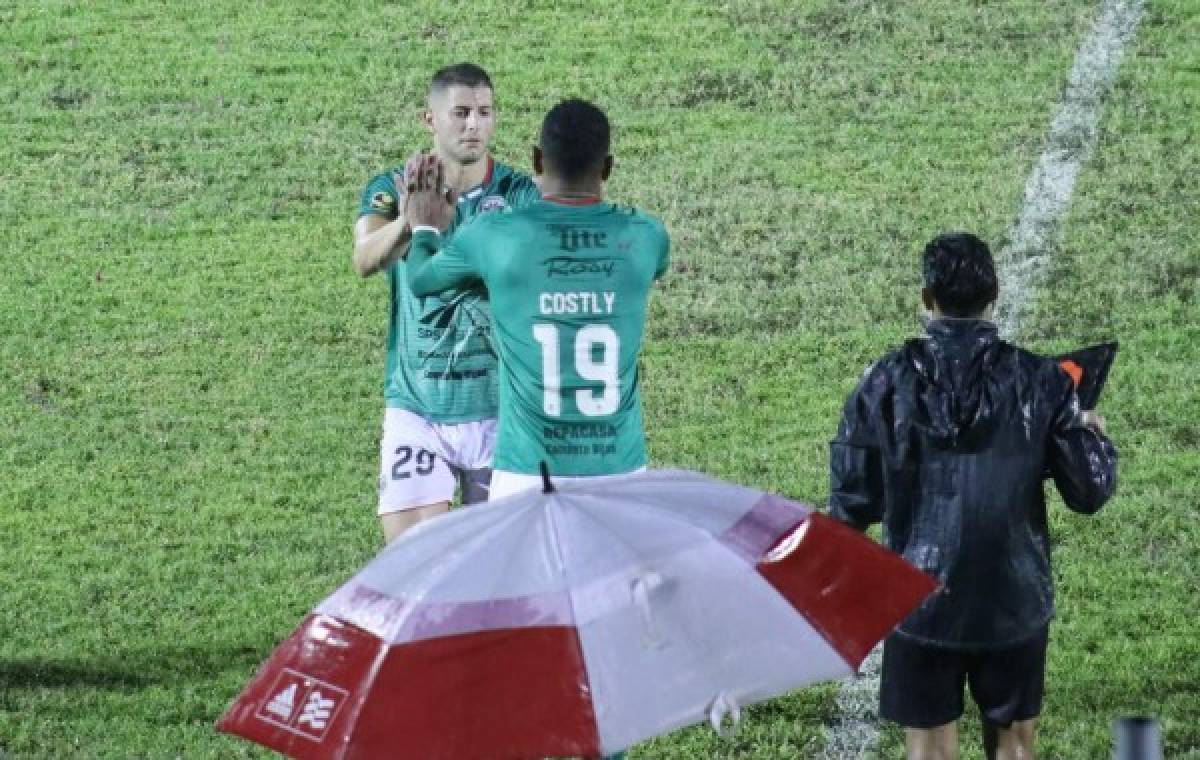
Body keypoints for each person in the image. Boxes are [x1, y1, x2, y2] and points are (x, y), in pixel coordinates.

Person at [828, 232, 1118, 760]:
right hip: (1013, 600)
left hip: (917, 603)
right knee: (1013, 746)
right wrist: (1091, 433)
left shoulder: (883, 382)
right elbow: (1089, 491)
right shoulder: (1043, 381)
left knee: (930, 751)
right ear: (996, 293)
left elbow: (852, 505)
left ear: (925, 298)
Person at [402, 98, 669, 500]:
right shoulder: (647, 237)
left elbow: (422, 281)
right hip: (621, 473)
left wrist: (424, 227)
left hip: (527, 475)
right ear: (608, 167)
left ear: (538, 160)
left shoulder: (497, 237)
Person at [352, 63, 540, 542]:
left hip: (504, 410)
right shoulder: (392, 188)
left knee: (508, 568)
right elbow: (364, 258)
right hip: (419, 407)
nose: (474, 124)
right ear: (429, 120)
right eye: (460, 112)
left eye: (484, 112)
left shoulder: (519, 194)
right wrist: (411, 222)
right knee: (416, 564)